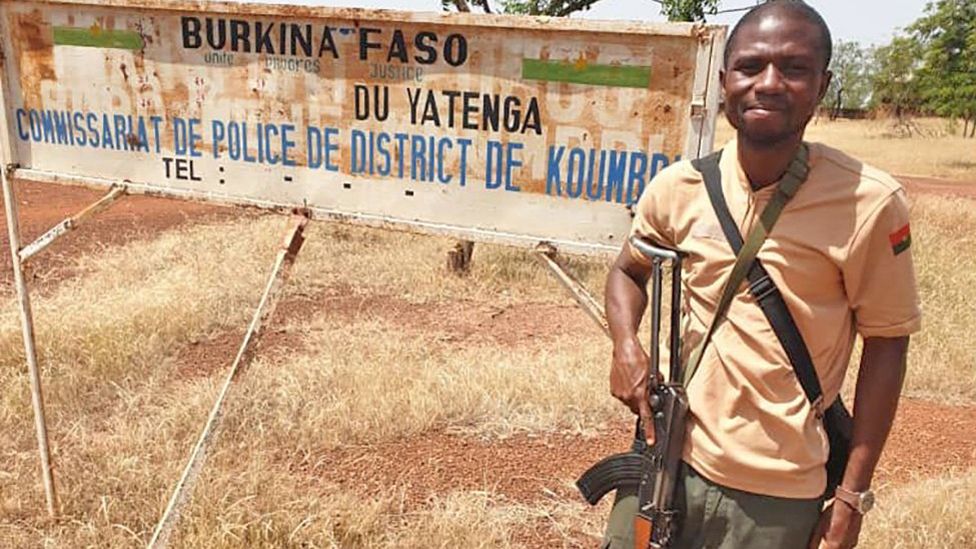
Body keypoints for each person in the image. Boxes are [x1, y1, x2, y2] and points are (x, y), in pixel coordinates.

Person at [602, 1, 921, 548]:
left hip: (777, 495)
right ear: (724, 81)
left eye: (794, 69)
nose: (769, 84)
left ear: (823, 86)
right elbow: (628, 272)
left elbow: (887, 345)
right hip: (666, 458)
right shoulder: (679, 188)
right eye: (750, 67)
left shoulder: (868, 203)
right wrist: (626, 345)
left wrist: (851, 497)